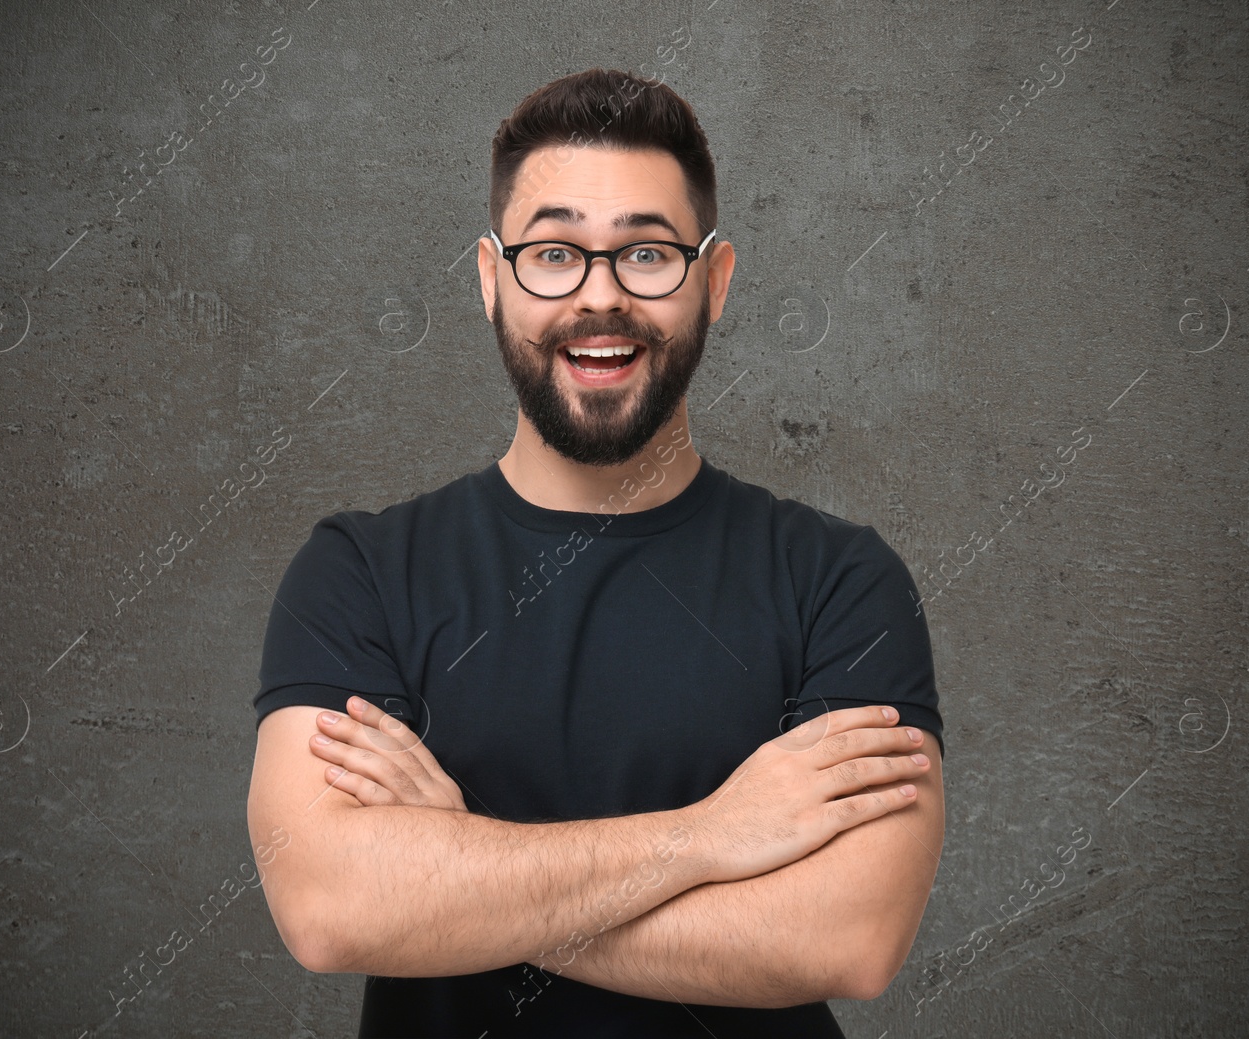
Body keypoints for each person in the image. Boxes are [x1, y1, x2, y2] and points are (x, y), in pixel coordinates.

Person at [246, 67, 946, 1038]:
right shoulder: (360, 573)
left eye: (647, 254)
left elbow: (848, 937)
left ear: (715, 279)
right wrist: (713, 836)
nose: (600, 296)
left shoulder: (839, 582)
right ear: (492, 280)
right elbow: (332, 910)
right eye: (553, 254)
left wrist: (454, 865)